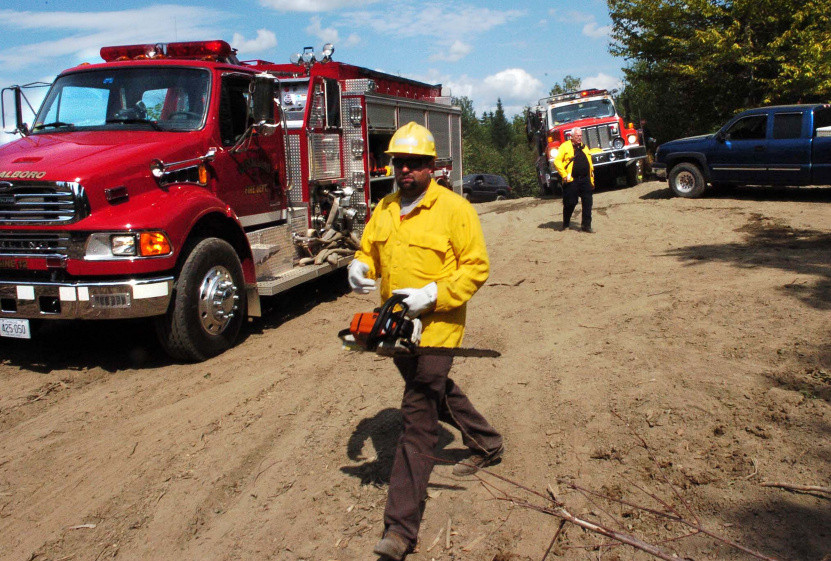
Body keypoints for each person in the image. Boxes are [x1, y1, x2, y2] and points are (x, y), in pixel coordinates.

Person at [347, 121, 504, 560]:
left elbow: (475, 269)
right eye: (399, 162)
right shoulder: (385, 209)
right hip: (396, 328)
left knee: (416, 416)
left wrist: (431, 295)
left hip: (439, 327)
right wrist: (358, 266)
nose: (405, 171)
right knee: (435, 390)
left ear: (432, 166)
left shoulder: (455, 210)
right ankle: (488, 442)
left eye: (414, 164)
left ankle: (399, 531)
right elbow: (369, 252)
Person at [554, 127, 595, 233]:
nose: (579, 137)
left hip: (585, 179)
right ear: (571, 136)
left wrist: (591, 179)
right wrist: (563, 174)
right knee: (570, 203)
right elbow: (557, 161)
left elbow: (590, 164)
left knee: (588, 202)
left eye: (581, 135)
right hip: (572, 180)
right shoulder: (565, 146)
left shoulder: (585, 147)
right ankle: (566, 224)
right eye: (577, 136)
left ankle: (586, 226)